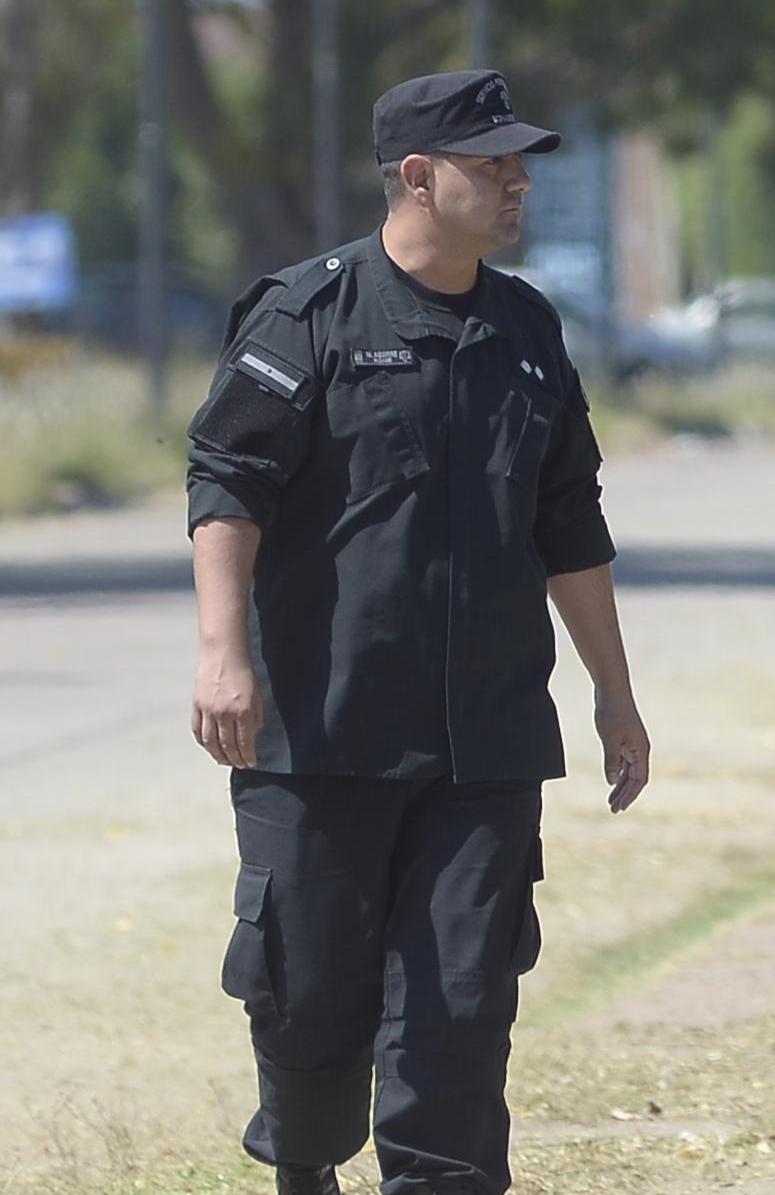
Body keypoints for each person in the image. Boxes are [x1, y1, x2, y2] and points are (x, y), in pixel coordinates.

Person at [186, 70, 651, 1195]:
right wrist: (222, 653)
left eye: (519, 160)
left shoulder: (529, 328)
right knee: (310, 1000)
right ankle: (306, 1164)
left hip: (481, 746)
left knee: (459, 1006)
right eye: (489, 160)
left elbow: (568, 516)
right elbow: (227, 481)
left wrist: (613, 693)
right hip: (320, 733)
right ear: (415, 176)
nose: (515, 179)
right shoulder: (309, 313)